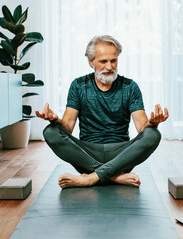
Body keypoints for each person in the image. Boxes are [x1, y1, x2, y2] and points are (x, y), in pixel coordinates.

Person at [36, 35, 168, 189]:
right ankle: (114, 176)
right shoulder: (79, 86)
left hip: (121, 155)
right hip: (86, 155)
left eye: (113, 60)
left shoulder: (130, 87)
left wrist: (153, 123)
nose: (110, 66)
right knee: (50, 132)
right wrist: (55, 120)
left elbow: (142, 128)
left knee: (153, 134)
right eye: (103, 61)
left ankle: (91, 178)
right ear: (91, 62)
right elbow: (67, 127)